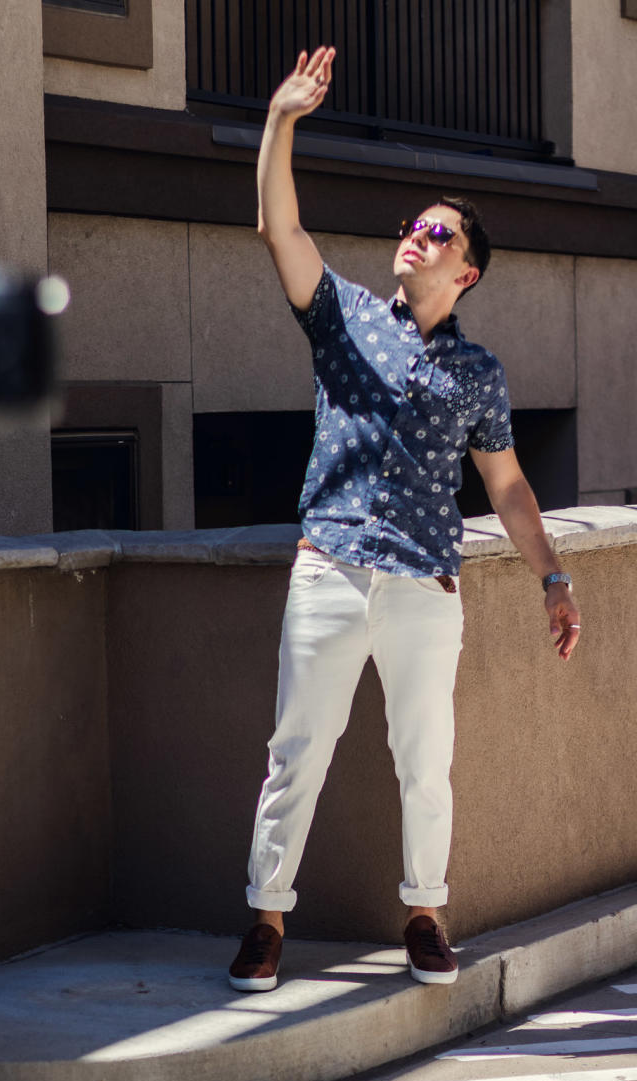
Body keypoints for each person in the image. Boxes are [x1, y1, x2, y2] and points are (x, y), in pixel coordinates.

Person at [228, 46, 581, 994]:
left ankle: (426, 915)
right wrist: (281, 118)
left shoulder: (478, 373)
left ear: (466, 272)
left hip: (427, 584)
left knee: (428, 763)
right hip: (330, 568)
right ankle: (266, 922)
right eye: (412, 227)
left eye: (437, 234)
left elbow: (506, 487)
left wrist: (553, 573)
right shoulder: (342, 314)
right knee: (296, 753)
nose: (415, 238)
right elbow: (277, 226)